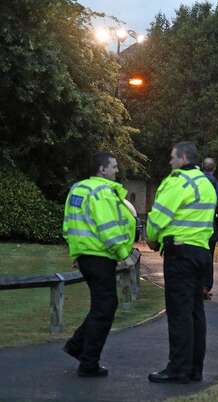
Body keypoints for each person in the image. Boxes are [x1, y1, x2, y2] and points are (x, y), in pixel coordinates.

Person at [146, 142, 216, 384]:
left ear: (183, 157)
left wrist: (151, 240)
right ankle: (195, 368)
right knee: (196, 312)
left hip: (180, 255)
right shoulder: (206, 184)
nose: (169, 162)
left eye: (172, 157)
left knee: (179, 314)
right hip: (201, 254)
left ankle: (178, 369)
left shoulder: (177, 182)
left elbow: (158, 217)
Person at [62, 152, 136, 378]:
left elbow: (69, 224)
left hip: (86, 255)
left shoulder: (78, 189)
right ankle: (88, 362)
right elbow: (108, 228)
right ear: (101, 170)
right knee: (105, 307)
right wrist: (125, 255)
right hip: (100, 256)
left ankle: (78, 346)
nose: (116, 170)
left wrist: (77, 252)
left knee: (102, 306)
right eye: (113, 167)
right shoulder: (102, 192)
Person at [201, 157, 218, 300]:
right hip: (209, 226)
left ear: (202, 167)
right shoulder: (215, 184)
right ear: (214, 168)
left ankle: (195, 286)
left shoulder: (195, 182)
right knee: (208, 258)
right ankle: (205, 286)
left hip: (193, 229)